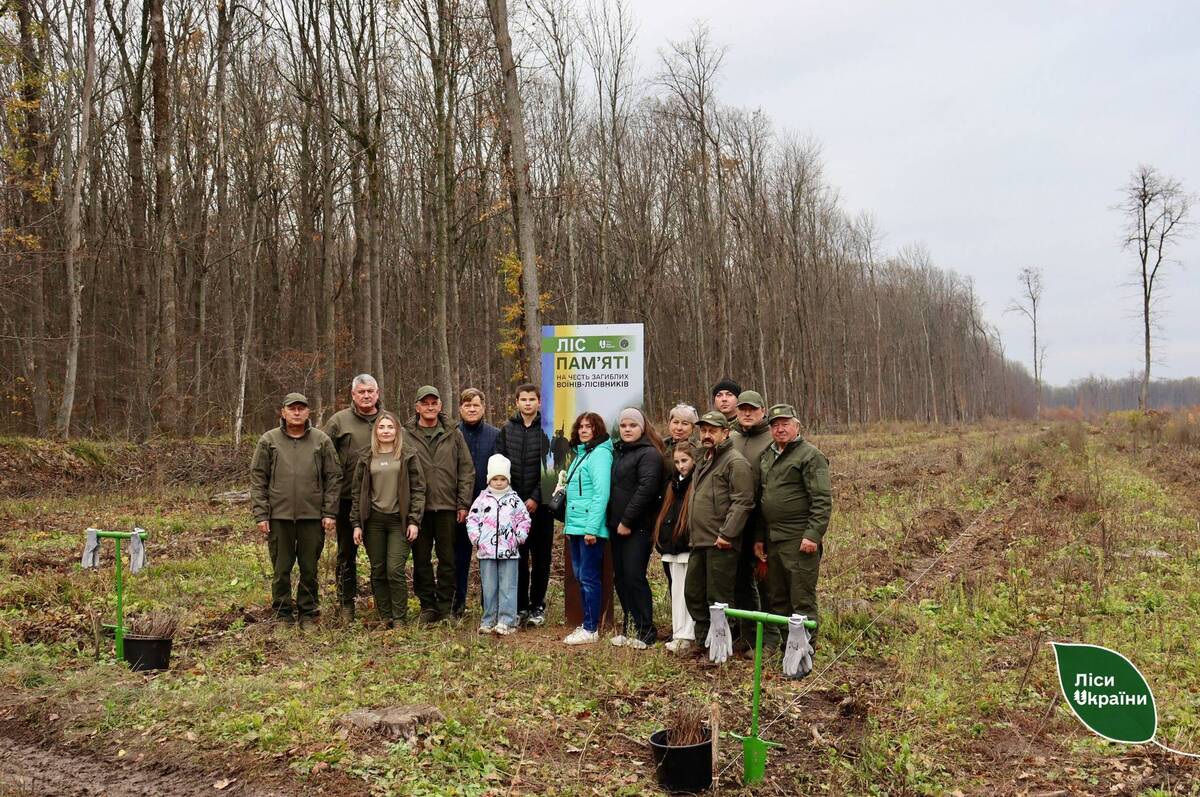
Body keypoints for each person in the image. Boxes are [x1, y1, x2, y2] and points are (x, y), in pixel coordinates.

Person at [250, 392, 341, 630]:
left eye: (301, 408)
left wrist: (330, 512)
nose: (297, 412)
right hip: (279, 517)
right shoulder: (268, 440)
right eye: (292, 408)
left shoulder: (321, 441)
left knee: (309, 567)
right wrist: (261, 514)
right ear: (283, 412)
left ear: (308, 412)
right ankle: (282, 614)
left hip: (312, 517)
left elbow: (333, 477)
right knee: (281, 569)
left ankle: (308, 613)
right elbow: (258, 478)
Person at [759, 403, 832, 647]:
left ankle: (804, 651)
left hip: (798, 538)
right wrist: (760, 537)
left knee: (801, 597)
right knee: (778, 598)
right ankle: (787, 647)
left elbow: (822, 501)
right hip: (773, 538)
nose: (780, 429)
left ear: (797, 426)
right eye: (775, 425)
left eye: (785, 424)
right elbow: (763, 498)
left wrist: (812, 535)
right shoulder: (768, 455)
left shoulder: (810, 455)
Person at [684, 410, 755, 654]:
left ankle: (720, 649)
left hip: (720, 543)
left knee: (719, 600)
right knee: (693, 593)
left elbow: (743, 501)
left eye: (712, 430)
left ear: (725, 433)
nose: (706, 435)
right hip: (699, 541)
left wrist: (727, 534)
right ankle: (704, 643)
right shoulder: (704, 460)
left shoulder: (735, 462)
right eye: (703, 430)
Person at [403, 386, 475, 624]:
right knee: (421, 559)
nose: (430, 407)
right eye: (425, 403)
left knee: (448, 560)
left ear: (440, 406)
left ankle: (446, 607)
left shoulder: (454, 433)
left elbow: (466, 469)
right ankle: (427, 607)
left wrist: (463, 502)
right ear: (417, 407)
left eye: (434, 403)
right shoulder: (405, 434)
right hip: (418, 509)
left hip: (447, 507)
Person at [350, 411, 425, 627]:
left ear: (397, 431)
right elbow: (357, 493)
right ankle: (385, 616)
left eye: (390, 427)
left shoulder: (407, 455)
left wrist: (414, 520)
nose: (385, 431)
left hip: (398, 522)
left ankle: (400, 618)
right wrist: (356, 524)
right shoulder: (366, 457)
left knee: (394, 569)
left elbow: (419, 489)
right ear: (376, 431)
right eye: (381, 427)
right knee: (378, 570)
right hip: (373, 521)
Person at [322, 374, 382, 622]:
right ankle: (346, 605)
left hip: (382, 499)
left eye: (370, 391)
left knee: (380, 555)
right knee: (346, 555)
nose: (366, 396)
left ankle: (384, 604)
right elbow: (324, 459)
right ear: (353, 395)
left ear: (377, 393)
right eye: (361, 392)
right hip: (347, 500)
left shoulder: (387, 421)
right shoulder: (338, 422)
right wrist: (328, 503)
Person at [494, 383, 553, 627]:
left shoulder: (548, 429)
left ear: (539, 402)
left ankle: (537, 605)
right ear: (516, 402)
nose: (528, 403)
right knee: (518, 558)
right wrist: (512, 499)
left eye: (532, 399)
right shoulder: (507, 430)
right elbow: (498, 466)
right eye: (523, 399)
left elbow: (552, 468)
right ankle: (519, 606)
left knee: (541, 559)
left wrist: (536, 497)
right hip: (513, 508)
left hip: (541, 507)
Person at [606, 408, 664, 649]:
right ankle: (629, 627)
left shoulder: (649, 454)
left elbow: (647, 489)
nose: (627, 429)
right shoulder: (619, 452)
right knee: (620, 577)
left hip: (636, 528)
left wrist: (627, 521)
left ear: (642, 428)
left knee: (634, 576)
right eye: (623, 426)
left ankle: (645, 631)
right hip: (615, 527)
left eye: (632, 425)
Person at [559, 412, 614, 645]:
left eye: (589, 427)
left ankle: (591, 629)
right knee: (582, 577)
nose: (583, 430)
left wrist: (592, 528)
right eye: (580, 426)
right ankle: (587, 624)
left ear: (597, 430)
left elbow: (601, 494)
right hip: (577, 527)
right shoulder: (583, 454)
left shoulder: (600, 455)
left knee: (589, 578)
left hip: (589, 529)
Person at [466, 454, 531, 635]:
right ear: (489, 479)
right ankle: (488, 620)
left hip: (509, 551)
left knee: (508, 586)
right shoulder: (481, 500)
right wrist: (477, 538)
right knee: (489, 587)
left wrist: (519, 537)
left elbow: (525, 520)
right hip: (486, 551)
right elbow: (472, 520)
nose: (499, 482)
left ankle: (507, 621)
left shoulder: (515, 500)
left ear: (508, 479)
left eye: (503, 479)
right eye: (495, 478)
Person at [729, 389, 772, 654]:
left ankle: (769, 639)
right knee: (740, 581)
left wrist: (762, 531)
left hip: (762, 521)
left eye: (752, 409)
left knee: (768, 584)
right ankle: (746, 636)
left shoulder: (771, 439)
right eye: (743, 409)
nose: (747, 413)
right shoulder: (731, 438)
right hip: (735, 521)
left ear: (762, 412)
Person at [454, 388, 499, 617]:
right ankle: (457, 604)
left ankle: (488, 606)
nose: (471, 409)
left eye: (476, 405)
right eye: (467, 405)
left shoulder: (495, 435)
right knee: (458, 557)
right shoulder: (452, 433)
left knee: (488, 559)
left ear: (483, 408)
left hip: (488, 508)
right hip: (459, 507)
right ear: (460, 408)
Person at [654, 440, 697, 655]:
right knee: (676, 591)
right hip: (672, 547)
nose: (681, 465)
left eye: (685, 460)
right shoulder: (673, 484)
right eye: (677, 461)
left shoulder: (695, 484)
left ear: (694, 460)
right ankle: (679, 631)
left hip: (688, 547)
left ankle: (689, 634)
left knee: (689, 592)